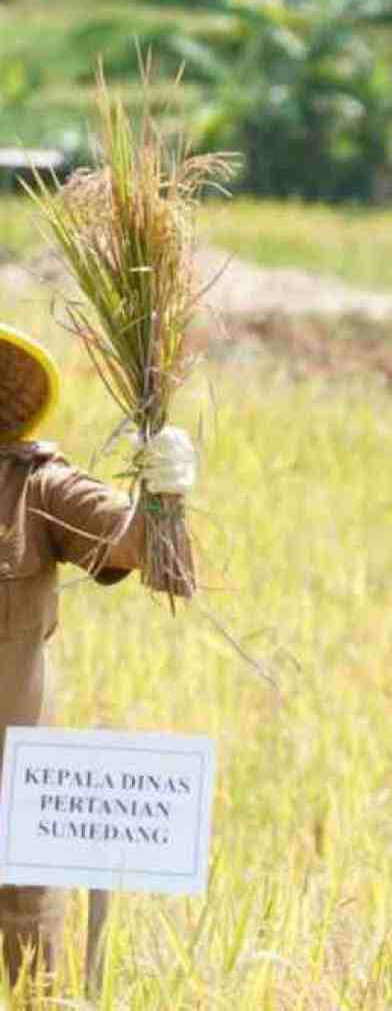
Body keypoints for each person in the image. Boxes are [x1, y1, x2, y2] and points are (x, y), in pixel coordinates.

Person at [0, 322, 197, 984]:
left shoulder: (34, 488)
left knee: (34, 978)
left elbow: (128, 542)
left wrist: (162, 492)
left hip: (15, 794)